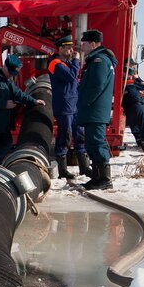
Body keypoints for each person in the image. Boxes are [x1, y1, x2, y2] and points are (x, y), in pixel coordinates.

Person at [0, 54, 45, 163]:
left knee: (7, 143)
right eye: (10, 73)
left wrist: (34, 101)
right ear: (5, 67)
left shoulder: (8, 81)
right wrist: (4, 104)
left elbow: (18, 94)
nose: (11, 75)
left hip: (3, 123)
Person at [77, 29, 118, 190]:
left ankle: (104, 179)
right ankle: (97, 177)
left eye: (85, 43)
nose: (82, 46)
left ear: (93, 44)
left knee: (97, 142)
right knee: (92, 143)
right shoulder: (97, 60)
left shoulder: (99, 61)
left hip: (95, 109)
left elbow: (96, 85)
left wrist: (85, 102)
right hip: (94, 109)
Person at [47, 35, 89, 179]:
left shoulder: (67, 63)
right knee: (65, 135)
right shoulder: (55, 64)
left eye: (71, 48)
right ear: (60, 49)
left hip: (74, 104)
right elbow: (71, 77)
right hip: (64, 105)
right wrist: (76, 60)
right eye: (68, 48)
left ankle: (84, 167)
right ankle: (62, 170)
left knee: (80, 134)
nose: (71, 50)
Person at [121, 60, 144, 157]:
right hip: (135, 105)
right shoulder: (130, 82)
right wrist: (138, 79)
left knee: (139, 125)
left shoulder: (124, 82)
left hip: (130, 107)